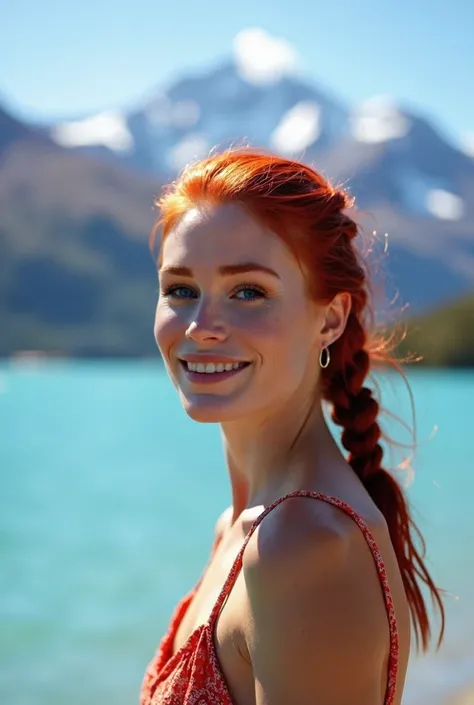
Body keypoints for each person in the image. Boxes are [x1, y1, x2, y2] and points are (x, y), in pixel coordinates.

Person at [141, 150, 444, 705]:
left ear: (328, 319)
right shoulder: (246, 525)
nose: (202, 327)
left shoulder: (302, 547)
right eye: (181, 289)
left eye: (248, 291)